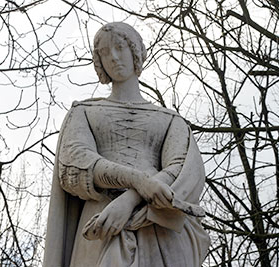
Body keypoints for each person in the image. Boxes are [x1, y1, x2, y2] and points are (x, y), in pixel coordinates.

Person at [43, 22, 210, 267]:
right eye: (104, 51)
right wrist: (138, 181)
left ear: (136, 51)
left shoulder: (170, 120)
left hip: (160, 226)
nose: (113, 57)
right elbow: (75, 165)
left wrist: (128, 200)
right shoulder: (83, 112)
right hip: (102, 222)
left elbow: (184, 172)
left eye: (120, 47)